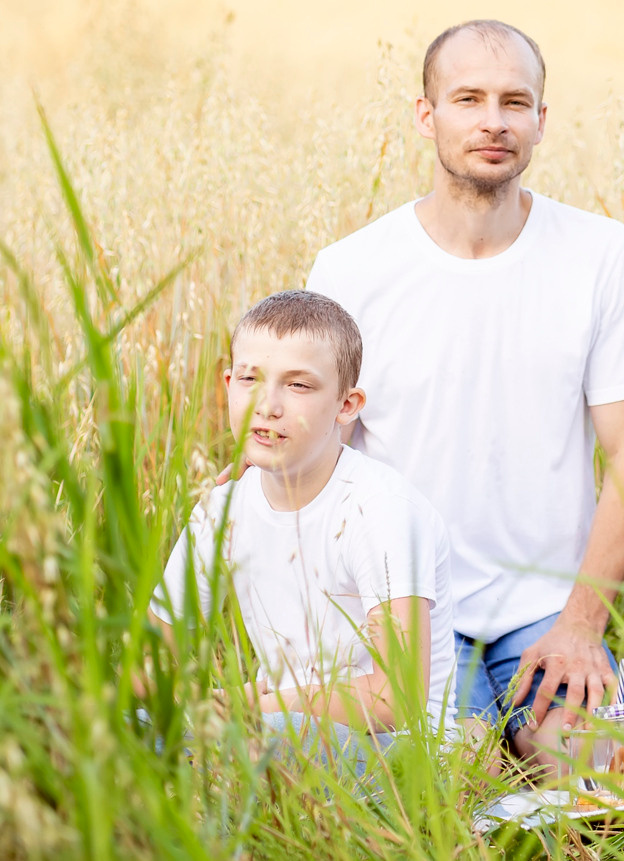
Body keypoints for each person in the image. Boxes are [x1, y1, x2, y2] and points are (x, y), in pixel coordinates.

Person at [304, 19, 624, 773]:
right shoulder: (350, 270)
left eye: (514, 101)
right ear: (426, 114)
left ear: (541, 120)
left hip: (550, 610)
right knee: (453, 780)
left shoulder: (600, 253)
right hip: (411, 610)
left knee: (600, 772)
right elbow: (321, 458)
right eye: (468, 99)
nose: (493, 121)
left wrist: (580, 624)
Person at [152, 291, 457, 771]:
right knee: (116, 728)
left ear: (346, 405)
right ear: (228, 384)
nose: (267, 405)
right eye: (250, 378)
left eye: (298, 385)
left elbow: (396, 698)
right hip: (278, 725)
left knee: (261, 742)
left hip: (397, 753)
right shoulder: (221, 509)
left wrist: (251, 705)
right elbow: (152, 658)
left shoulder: (379, 509)